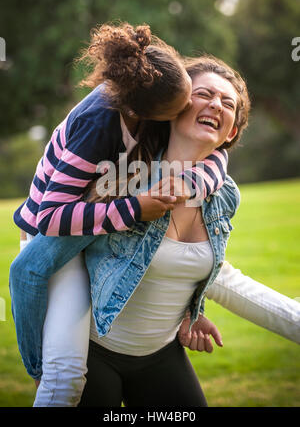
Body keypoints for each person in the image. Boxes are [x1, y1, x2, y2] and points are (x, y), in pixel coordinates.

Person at [10, 55, 300, 407]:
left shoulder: (223, 194)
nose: (216, 104)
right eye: (205, 93)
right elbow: (42, 252)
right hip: (95, 353)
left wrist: (194, 307)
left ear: (232, 132)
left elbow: (217, 274)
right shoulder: (119, 177)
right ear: (174, 107)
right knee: (63, 380)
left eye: (228, 103)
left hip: (160, 355)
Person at [9, 21, 230, 404]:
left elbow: (219, 154)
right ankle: (37, 368)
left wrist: (193, 184)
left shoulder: (152, 101)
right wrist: (132, 210)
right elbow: (52, 216)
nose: (186, 112)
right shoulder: (99, 123)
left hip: (97, 205)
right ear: (142, 112)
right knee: (29, 271)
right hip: (57, 220)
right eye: (180, 108)